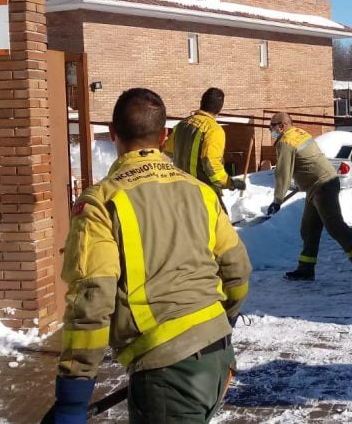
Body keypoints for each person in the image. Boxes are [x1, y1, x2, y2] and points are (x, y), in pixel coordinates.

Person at [48, 88, 252, 424]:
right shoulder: (199, 191)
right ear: (164, 136)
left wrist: (73, 396)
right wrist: (220, 323)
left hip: (166, 369)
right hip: (217, 358)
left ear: (113, 133)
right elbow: (238, 271)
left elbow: (92, 300)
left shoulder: (101, 202)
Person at [266, 112, 352, 281]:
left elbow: (282, 172)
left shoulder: (286, 141)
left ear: (281, 126)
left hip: (323, 185)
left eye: (271, 126)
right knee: (309, 229)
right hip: (317, 185)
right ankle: (306, 269)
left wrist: (277, 200)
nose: (270, 130)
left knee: (334, 225)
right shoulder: (300, 133)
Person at [164, 87, 246, 200]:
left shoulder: (182, 125)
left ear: (202, 103)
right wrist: (229, 183)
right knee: (221, 218)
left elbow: (168, 149)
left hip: (181, 192)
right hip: (203, 194)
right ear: (219, 109)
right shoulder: (213, 130)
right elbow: (210, 163)